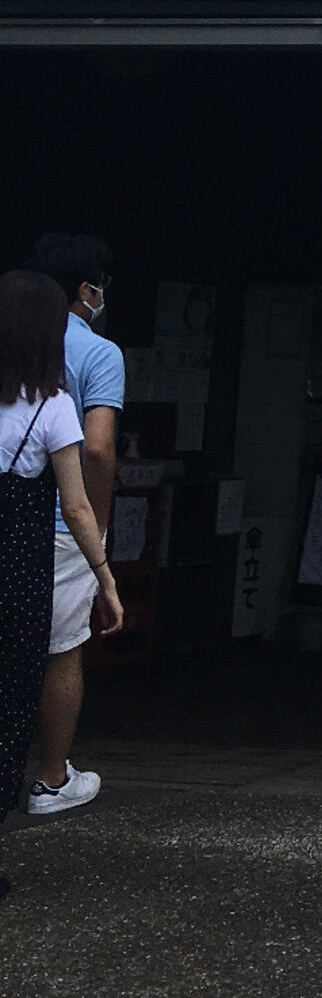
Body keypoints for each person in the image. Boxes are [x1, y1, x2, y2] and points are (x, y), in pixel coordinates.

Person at [0, 272, 123, 877]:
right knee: (21, 688)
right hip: (24, 565)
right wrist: (104, 573)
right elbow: (77, 502)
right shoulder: (53, 405)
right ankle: (38, 788)